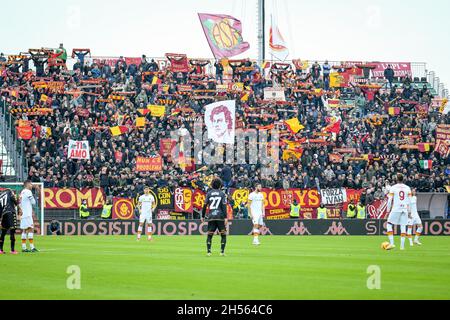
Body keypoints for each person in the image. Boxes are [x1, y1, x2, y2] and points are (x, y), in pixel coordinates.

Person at [201, 178, 228, 256]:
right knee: (223, 235)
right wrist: (226, 217)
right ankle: (222, 252)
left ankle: (209, 252)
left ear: (212, 185)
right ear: (220, 185)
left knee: (210, 235)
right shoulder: (222, 194)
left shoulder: (209, 193)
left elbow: (204, 205)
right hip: (220, 216)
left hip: (211, 216)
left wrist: (202, 216)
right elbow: (224, 206)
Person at [385, 173, 412, 251]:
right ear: (403, 179)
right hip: (405, 209)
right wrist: (409, 211)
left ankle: (392, 243)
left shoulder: (393, 187)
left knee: (389, 224)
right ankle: (402, 247)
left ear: (396, 179)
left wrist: (387, 211)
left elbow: (389, 200)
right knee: (403, 226)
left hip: (396, 208)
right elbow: (409, 201)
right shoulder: (407, 188)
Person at [19, 181, 38, 252]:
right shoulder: (28, 191)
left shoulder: (22, 192)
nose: (31, 185)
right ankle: (32, 247)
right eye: (31, 184)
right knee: (31, 229)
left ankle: (24, 248)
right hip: (27, 214)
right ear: (27, 184)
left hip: (23, 214)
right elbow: (33, 202)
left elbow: (19, 203)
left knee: (24, 230)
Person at [0, 188, 19, 254]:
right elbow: (15, 202)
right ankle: (12, 250)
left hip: (4, 214)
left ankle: (1, 250)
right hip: (10, 212)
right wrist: (18, 200)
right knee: (12, 231)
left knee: (3, 232)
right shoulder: (10, 192)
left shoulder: (1, 195)